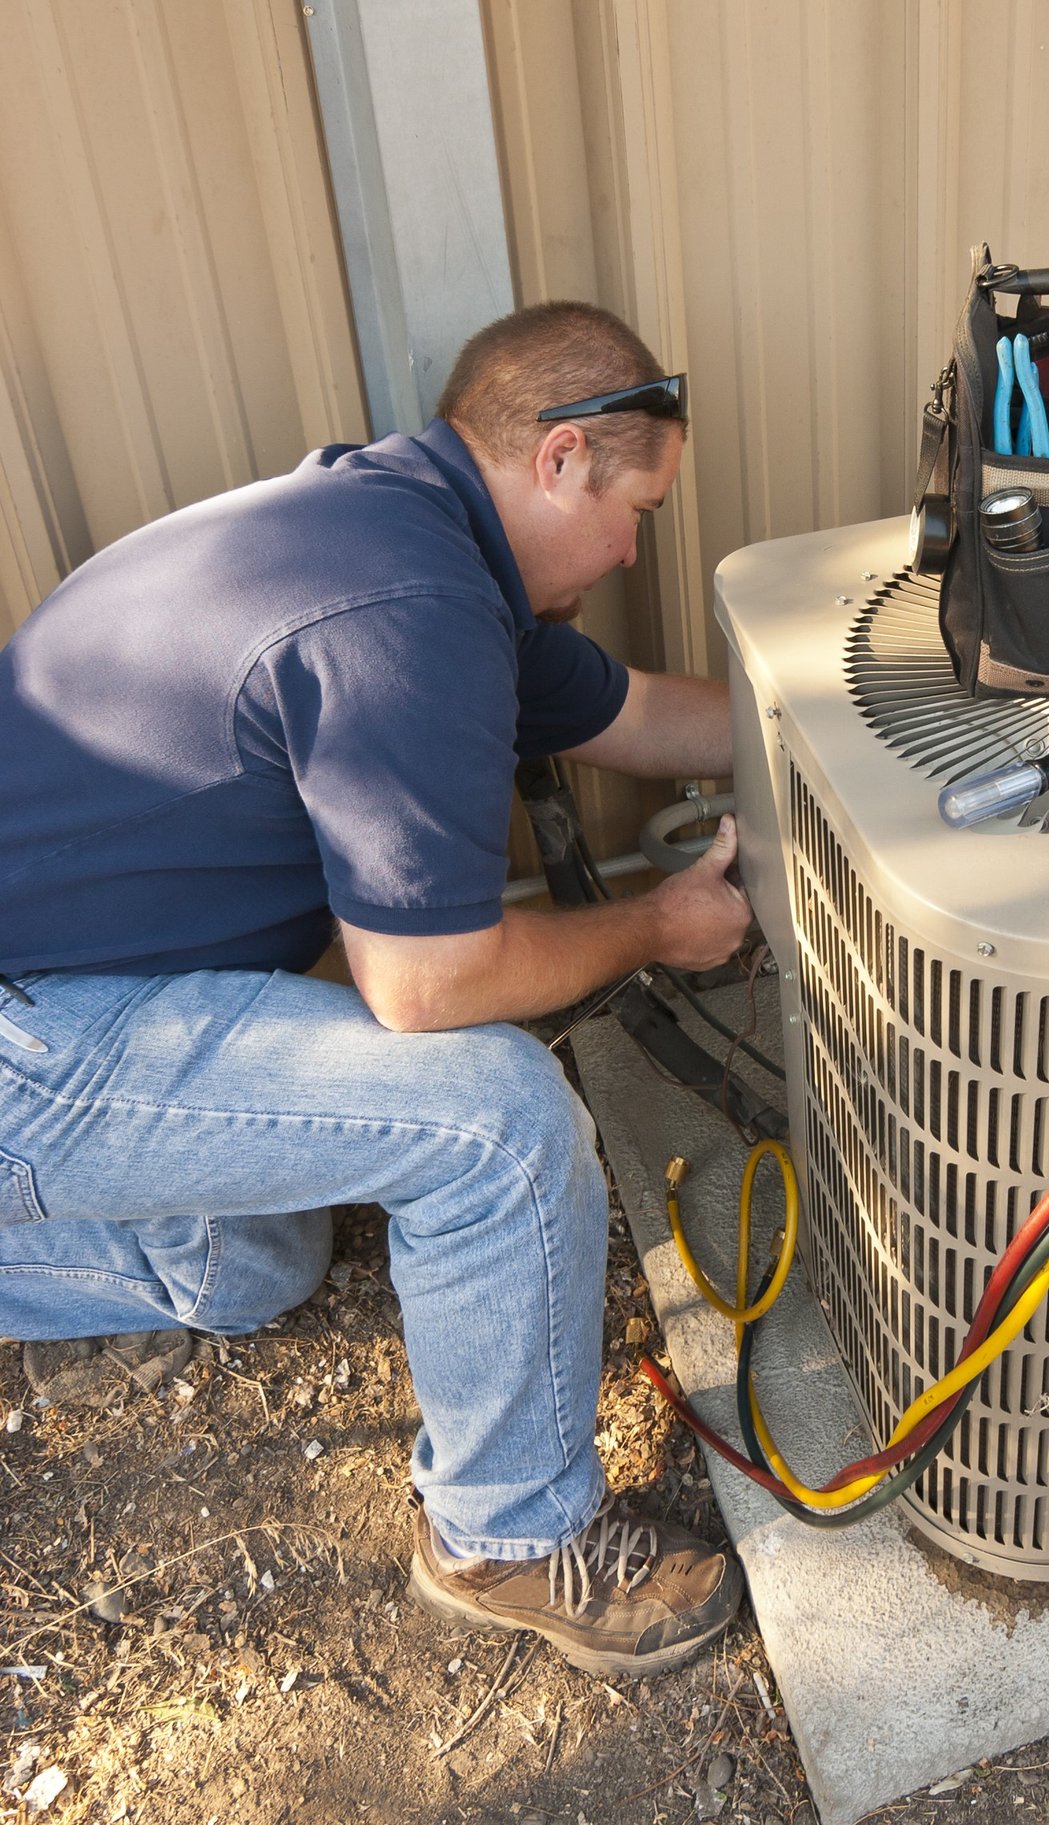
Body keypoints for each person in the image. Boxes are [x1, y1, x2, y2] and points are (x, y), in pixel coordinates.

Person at [0, 300, 754, 1679]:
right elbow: (426, 985)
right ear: (563, 460)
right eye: (636, 504)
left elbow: (640, 715)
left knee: (253, 1263)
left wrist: (821, 726)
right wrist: (655, 922)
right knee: (496, 1118)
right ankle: (507, 1536)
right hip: (32, 1031)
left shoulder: (413, 529)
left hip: (80, 991)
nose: (634, 546)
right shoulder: (408, 608)